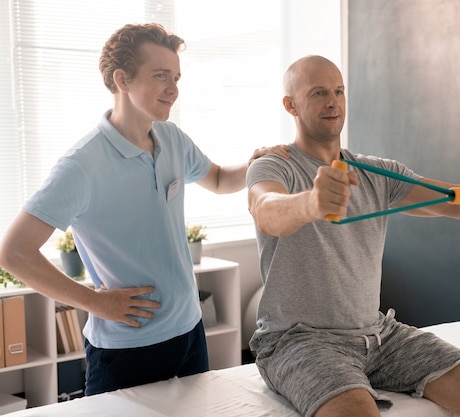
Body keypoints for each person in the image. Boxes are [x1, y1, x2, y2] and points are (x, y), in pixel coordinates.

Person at [246, 55, 460, 417]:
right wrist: (312, 203)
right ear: (290, 105)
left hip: (377, 335)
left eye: (339, 91)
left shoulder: (378, 173)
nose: (333, 101)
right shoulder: (273, 165)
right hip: (299, 341)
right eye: (318, 92)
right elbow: (267, 210)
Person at [0, 23, 288, 395]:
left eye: (176, 77)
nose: (173, 89)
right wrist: (94, 303)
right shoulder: (81, 165)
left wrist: (254, 163)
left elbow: (216, 179)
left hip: (189, 332)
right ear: (122, 79)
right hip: (127, 350)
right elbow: (13, 252)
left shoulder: (171, 138)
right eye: (160, 76)